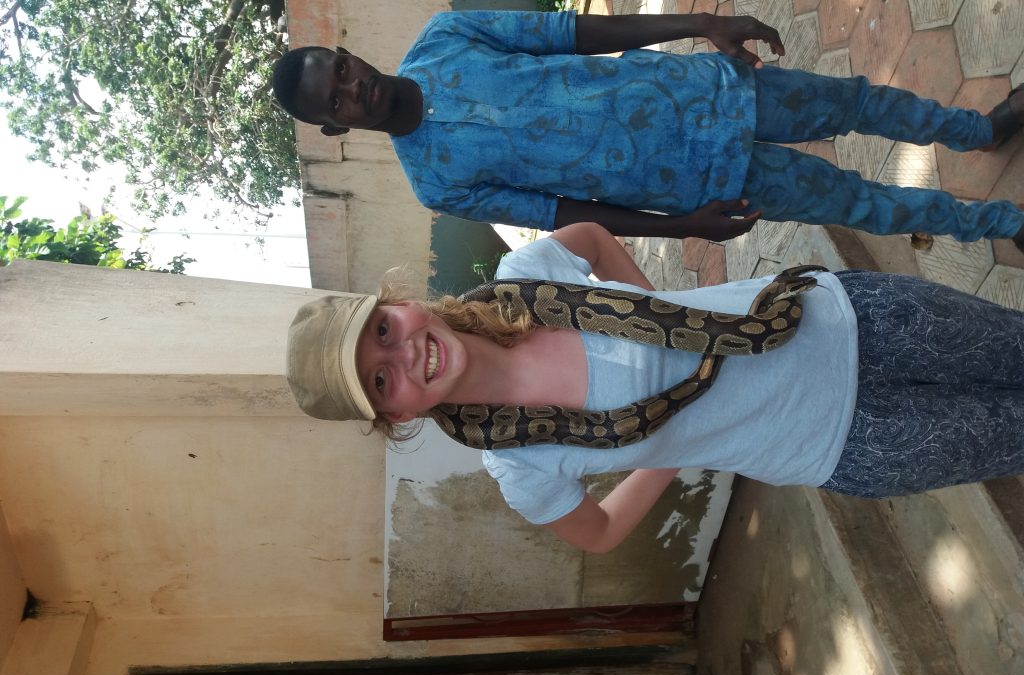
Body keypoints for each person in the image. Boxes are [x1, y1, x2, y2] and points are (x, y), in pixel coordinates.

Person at [286, 223, 1024, 553]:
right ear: (394, 414)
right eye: (381, 380)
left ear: (398, 304)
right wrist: (668, 440)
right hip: (844, 442)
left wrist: (666, 315)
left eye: (383, 328)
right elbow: (600, 534)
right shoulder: (519, 467)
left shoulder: (524, 279)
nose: (405, 354)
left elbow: (592, 237)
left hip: (846, 316)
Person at [271, 10, 1024, 250]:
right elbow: (561, 215)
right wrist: (683, 227)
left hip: (709, 93)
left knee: (856, 102)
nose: (354, 87)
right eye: (337, 100)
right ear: (335, 129)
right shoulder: (436, 183)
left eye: (341, 68)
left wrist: (702, 23)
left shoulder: (446, 37)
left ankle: (978, 130)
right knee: (857, 203)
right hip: (707, 182)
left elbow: (577, 33)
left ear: (347, 53)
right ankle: (1001, 223)